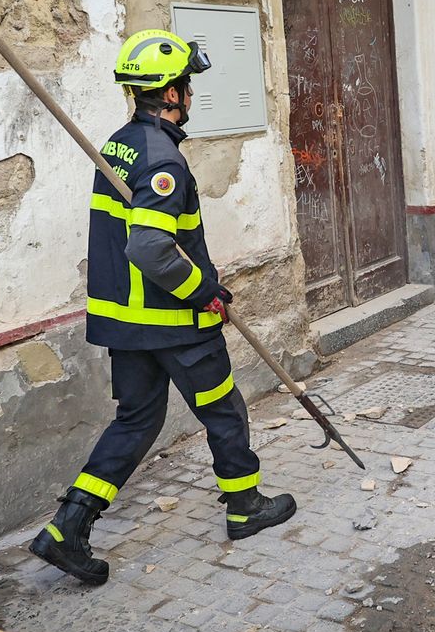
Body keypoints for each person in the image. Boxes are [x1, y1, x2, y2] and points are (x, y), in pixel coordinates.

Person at [29, 29, 296, 585]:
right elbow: (150, 248)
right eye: (188, 86)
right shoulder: (162, 160)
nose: (191, 94)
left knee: (136, 421)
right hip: (173, 322)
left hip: (126, 325)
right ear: (171, 93)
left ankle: (68, 527)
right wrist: (204, 292)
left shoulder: (120, 144)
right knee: (223, 410)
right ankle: (245, 507)